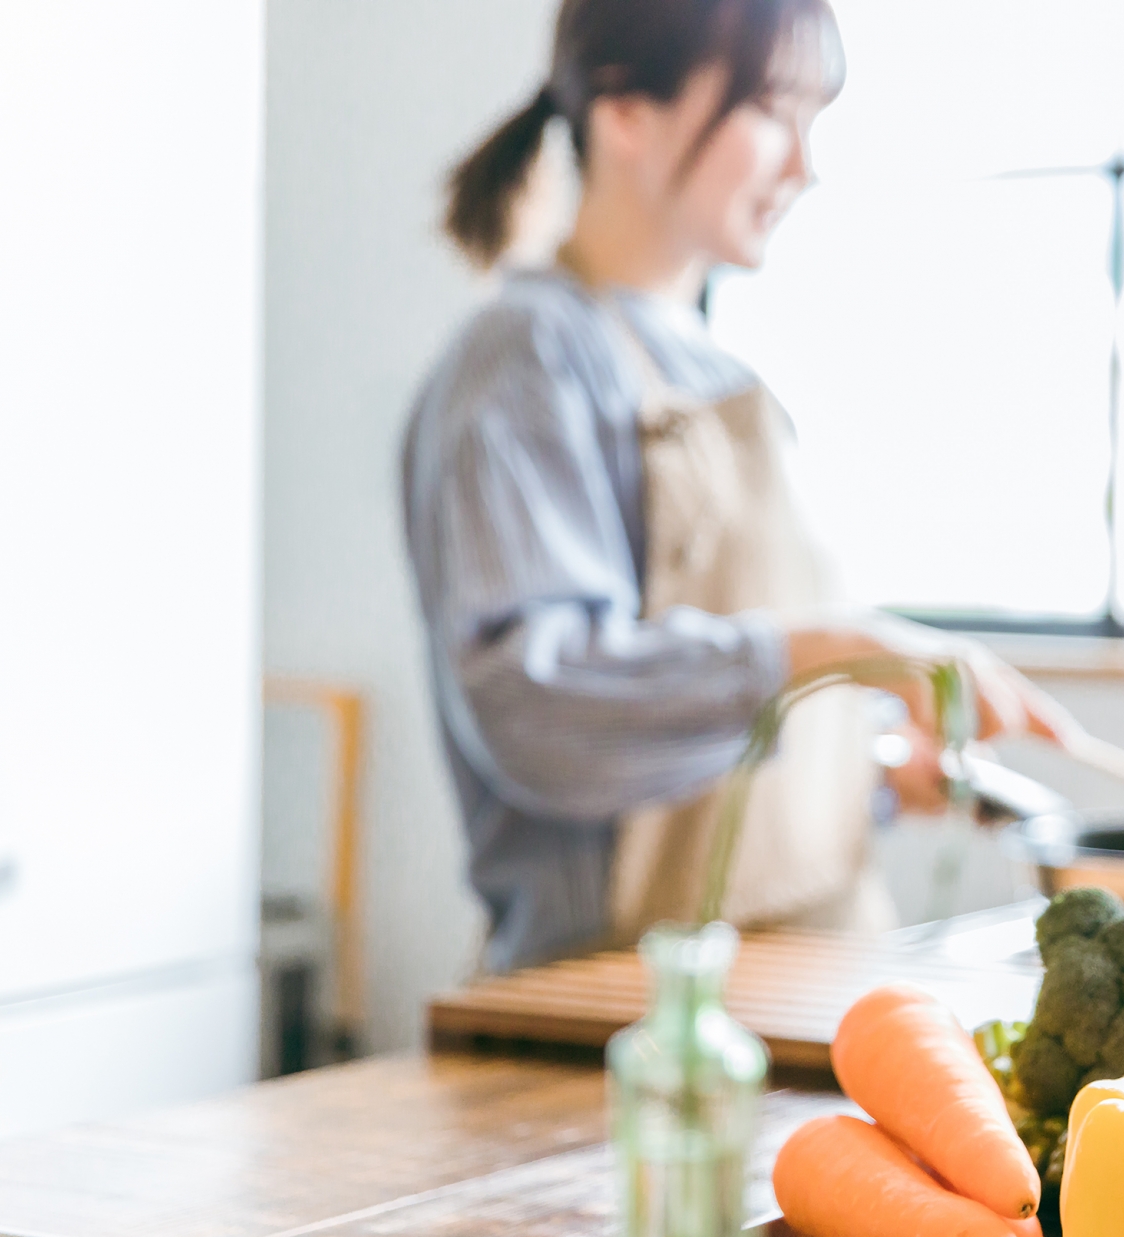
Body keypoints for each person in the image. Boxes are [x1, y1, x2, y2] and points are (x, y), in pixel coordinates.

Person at [402, 0, 1066, 973]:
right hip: (626, 1016)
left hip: (802, 979)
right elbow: (536, 706)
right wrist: (840, 646)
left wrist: (875, 774)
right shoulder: (529, 357)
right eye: (769, 112)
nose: (803, 166)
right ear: (626, 111)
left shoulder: (706, 365)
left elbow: (720, 740)